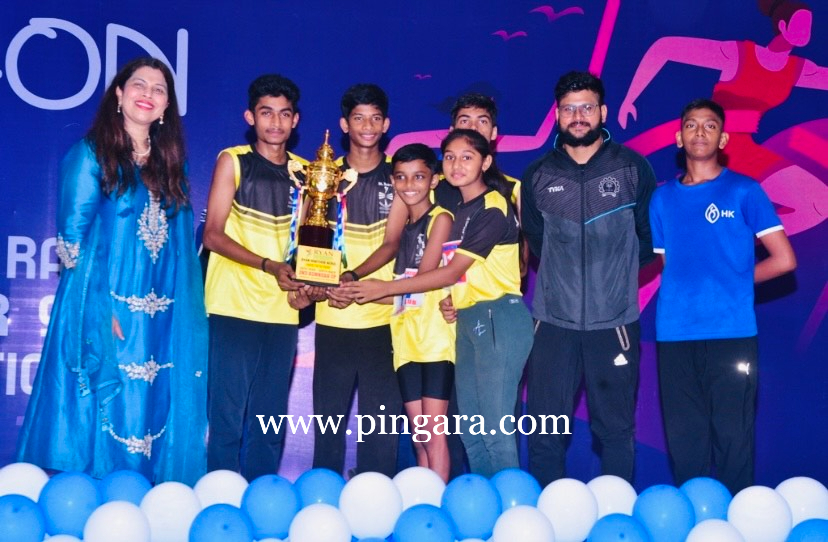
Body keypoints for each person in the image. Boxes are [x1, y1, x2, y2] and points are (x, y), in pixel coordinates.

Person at [16, 57, 207, 484]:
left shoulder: (172, 164)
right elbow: (72, 242)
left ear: (166, 107)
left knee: (154, 403)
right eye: (139, 84)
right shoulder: (90, 155)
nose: (148, 94)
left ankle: (150, 502)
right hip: (105, 309)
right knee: (105, 406)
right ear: (119, 95)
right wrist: (99, 313)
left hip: (162, 317)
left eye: (159, 89)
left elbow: (179, 249)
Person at [345, 129, 533, 477]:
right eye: (449, 157)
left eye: (467, 157)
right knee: (471, 433)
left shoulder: (493, 206)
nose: (457, 165)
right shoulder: (459, 210)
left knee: (494, 429)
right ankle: (484, 505)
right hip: (468, 319)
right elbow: (456, 278)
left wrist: (381, 288)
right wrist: (451, 299)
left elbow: (449, 272)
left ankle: (511, 505)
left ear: (486, 162)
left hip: (499, 317)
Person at [652, 98, 796, 494]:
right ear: (678, 137)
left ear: (724, 139)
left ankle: (736, 521)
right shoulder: (661, 199)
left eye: (710, 126)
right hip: (675, 334)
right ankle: (694, 520)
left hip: (731, 333)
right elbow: (669, 265)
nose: (700, 132)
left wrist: (733, 283)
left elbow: (784, 260)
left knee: (734, 438)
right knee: (685, 441)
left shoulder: (745, 191)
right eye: (691, 125)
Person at [521, 71, 657, 486]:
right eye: (569, 109)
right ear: (557, 115)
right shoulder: (538, 175)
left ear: (603, 112)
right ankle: (544, 516)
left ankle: (615, 513)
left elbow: (649, 241)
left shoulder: (632, 168)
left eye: (586, 108)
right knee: (545, 433)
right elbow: (537, 243)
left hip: (614, 324)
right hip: (553, 325)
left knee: (615, 432)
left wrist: (613, 282)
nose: (578, 116)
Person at [618, 0, 827, 237]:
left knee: (818, 204)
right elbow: (665, 48)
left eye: (809, 26)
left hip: (746, 150)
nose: (806, 32)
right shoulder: (738, 55)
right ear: (782, 25)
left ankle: (735, 239)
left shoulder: (798, 69)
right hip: (717, 145)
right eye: (800, 25)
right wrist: (630, 99)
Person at [202, 74, 314, 481]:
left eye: (284, 114)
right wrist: (269, 266)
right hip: (232, 304)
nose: (275, 122)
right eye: (267, 113)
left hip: (281, 309)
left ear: (295, 120)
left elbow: (308, 246)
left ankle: (262, 500)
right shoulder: (233, 160)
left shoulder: (308, 174)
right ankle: (219, 499)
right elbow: (212, 234)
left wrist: (307, 288)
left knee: (269, 421)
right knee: (227, 418)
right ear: (250, 117)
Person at [312, 83, 405, 478]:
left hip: (384, 320)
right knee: (327, 427)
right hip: (332, 315)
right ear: (344, 124)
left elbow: (394, 243)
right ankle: (322, 500)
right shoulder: (323, 176)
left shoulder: (400, 176)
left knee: (381, 431)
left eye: (375, 118)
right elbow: (310, 241)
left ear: (386, 124)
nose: (367, 126)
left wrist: (351, 279)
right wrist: (321, 284)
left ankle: (375, 498)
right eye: (358, 118)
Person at [384, 143, 454, 482]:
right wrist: (351, 294)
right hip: (405, 337)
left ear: (434, 180)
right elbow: (402, 290)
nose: (409, 185)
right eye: (401, 177)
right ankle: (424, 496)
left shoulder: (441, 219)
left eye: (419, 177)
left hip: (436, 337)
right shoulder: (403, 230)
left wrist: (373, 290)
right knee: (419, 435)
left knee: (434, 434)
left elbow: (423, 279)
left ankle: (436, 503)